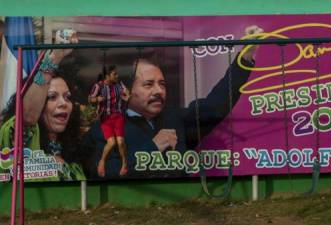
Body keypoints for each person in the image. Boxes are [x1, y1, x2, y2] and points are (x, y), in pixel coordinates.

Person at [82, 25, 263, 179]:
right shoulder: (105, 129)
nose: (159, 91)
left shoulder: (175, 119)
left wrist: (245, 59)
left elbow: (215, 107)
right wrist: (152, 149)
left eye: (162, 84)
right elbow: (102, 171)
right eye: (148, 84)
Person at [0, 29, 86, 181]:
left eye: (67, 97)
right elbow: (27, 116)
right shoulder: (21, 138)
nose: (63, 103)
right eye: (52, 97)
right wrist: (55, 58)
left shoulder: (75, 152)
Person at [88, 65, 129, 177]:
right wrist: (97, 99)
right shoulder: (99, 86)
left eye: (117, 74)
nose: (117, 76)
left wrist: (127, 96)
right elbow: (90, 99)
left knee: (120, 142)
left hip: (118, 116)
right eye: (114, 74)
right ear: (107, 75)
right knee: (111, 142)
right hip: (105, 118)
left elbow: (127, 93)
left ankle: (124, 163)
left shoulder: (119, 84)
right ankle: (102, 162)